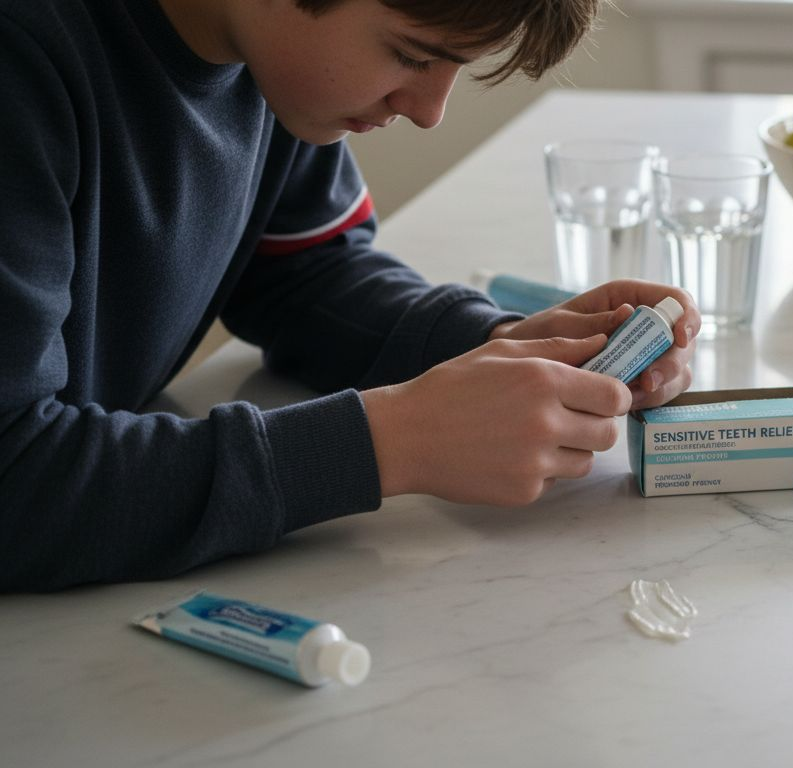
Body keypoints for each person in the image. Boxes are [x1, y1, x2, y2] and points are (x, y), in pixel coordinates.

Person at [0, 0, 700, 592]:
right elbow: (17, 477)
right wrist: (391, 442)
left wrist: (495, 348)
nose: (429, 111)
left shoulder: (269, 66)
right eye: (412, 55)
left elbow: (304, 272)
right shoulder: (22, 62)